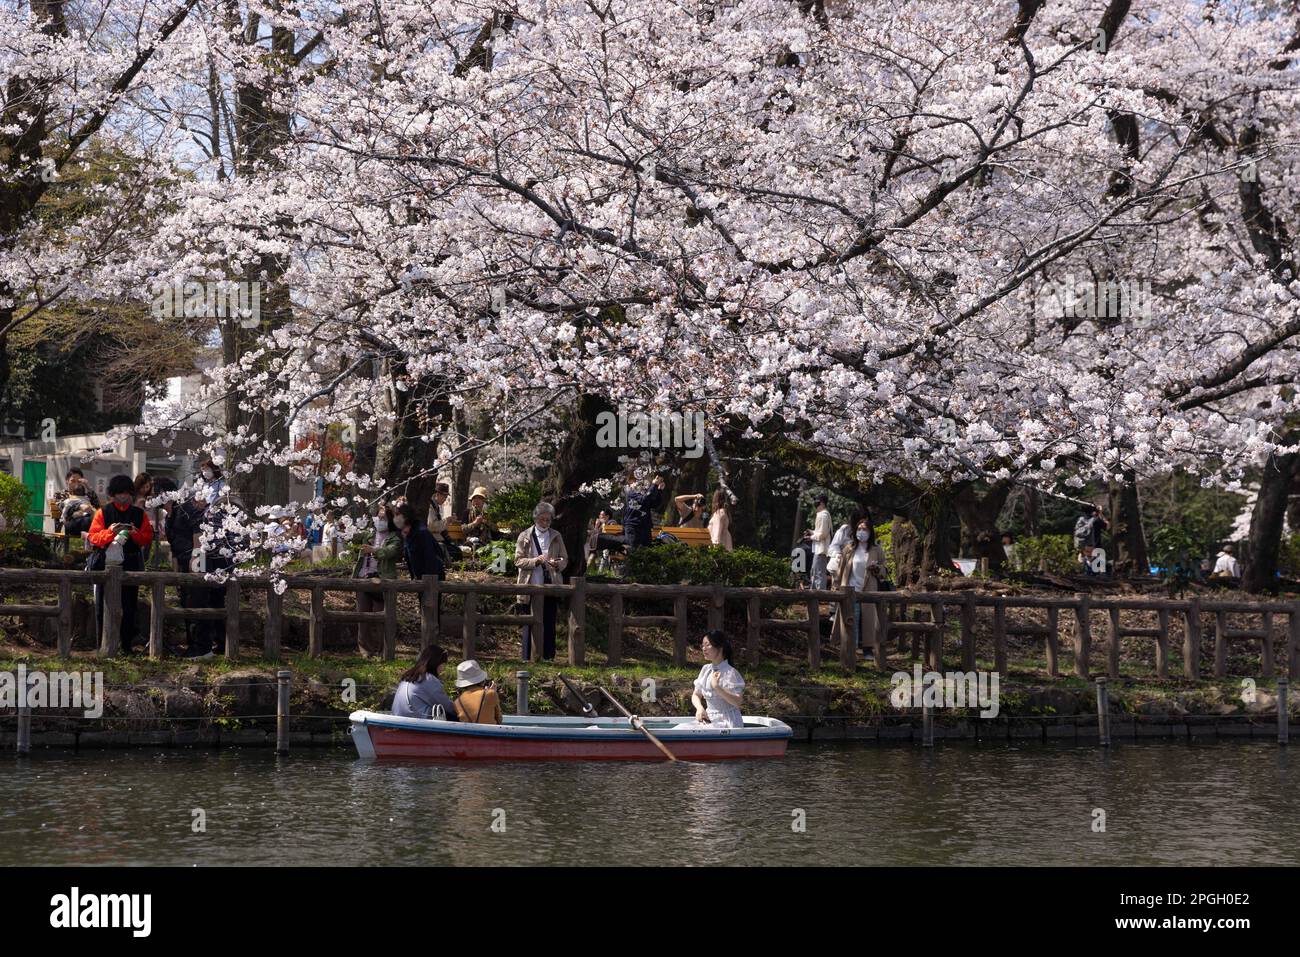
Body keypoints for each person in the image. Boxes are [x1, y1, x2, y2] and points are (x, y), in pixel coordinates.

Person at [86, 474, 154, 655]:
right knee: (102, 604)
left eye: (126, 494)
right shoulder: (103, 512)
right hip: (105, 561)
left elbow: (147, 538)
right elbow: (94, 538)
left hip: (131, 561)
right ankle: (103, 644)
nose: (123, 497)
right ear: (112, 495)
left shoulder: (139, 514)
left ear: (131, 494)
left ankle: (126, 645)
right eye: (119, 494)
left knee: (130, 605)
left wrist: (134, 533)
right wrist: (110, 532)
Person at [515, 501, 568, 660]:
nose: (545, 522)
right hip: (530, 583)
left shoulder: (556, 536)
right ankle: (527, 656)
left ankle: (548, 656)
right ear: (535, 518)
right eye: (542, 519)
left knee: (549, 621)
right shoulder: (525, 536)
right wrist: (535, 561)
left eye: (548, 519)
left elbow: (565, 559)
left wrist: (558, 564)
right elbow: (518, 560)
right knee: (528, 622)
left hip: (550, 582)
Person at [832, 514, 887, 657]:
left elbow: (884, 570)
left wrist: (877, 569)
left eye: (864, 529)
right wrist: (836, 584)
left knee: (868, 620)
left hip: (869, 589)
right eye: (859, 529)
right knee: (851, 619)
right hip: (850, 588)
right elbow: (841, 568)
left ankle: (868, 649)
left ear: (870, 532)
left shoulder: (877, 549)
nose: (861, 532)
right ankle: (850, 648)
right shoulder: (849, 548)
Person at [354, 503, 403, 656]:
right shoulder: (370, 534)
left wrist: (374, 550)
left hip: (383, 578)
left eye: (384, 518)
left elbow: (390, 552)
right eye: (379, 517)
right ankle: (365, 649)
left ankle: (383, 649)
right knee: (362, 615)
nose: (380, 521)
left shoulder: (395, 538)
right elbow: (354, 538)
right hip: (364, 576)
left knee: (381, 616)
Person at [688, 630, 746, 729]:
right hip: (709, 719)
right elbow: (696, 694)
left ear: (720, 647)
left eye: (707, 645)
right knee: (682, 728)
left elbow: (738, 702)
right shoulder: (705, 669)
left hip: (727, 722)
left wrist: (717, 687)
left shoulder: (731, 672)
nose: (703, 649)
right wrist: (699, 708)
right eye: (702, 646)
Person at [392, 645, 458, 720]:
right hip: (416, 720)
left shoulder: (410, 676)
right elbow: (447, 706)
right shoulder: (429, 679)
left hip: (398, 716)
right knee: (454, 716)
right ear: (435, 663)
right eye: (442, 665)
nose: (443, 669)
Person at [395, 502, 446, 582]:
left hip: (431, 580)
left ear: (405, 517)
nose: (396, 518)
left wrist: (427, 584)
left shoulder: (421, 533)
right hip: (420, 579)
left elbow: (430, 560)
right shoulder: (408, 533)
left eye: (398, 515)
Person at [621, 473, 664, 551]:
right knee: (633, 551)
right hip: (633, 526)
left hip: (645, 527)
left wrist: (659, 490)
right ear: (630, 483)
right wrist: (654, 485)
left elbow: (654, 504)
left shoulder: (644, 493)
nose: (639, 484)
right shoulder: (631, 493)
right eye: (635, 481)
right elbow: (643, 500)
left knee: (647, 552)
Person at [452, 659, 503, 724]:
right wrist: (492, 693)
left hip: (467, 734)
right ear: (481, 680)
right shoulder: (491, 694)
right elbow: (499, 720)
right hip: (489, 733)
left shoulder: (457, 702)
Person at [59, 472, 99, 539]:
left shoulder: (86, 496)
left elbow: (97, 505)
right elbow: (61, 507)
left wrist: (88, 487)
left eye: (79, 481)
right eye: (73, 481)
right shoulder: (63, 494)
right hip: (72, 523)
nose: (76, 483)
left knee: (89, 520)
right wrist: (79, 506)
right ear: (67, 481)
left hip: (87, 522)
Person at [810, 495, 833, 590]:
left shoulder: (823, 515)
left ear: (822, 502)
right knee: (815, 571)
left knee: (818, 573)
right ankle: (815, 596)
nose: (815, 503)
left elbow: (823, 534)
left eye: (817, 501)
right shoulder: (822, 514)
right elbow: (820, 532)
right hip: (818, 548)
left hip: (821, 549)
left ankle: (819, 596)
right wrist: (811, 532)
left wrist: (811, 537)